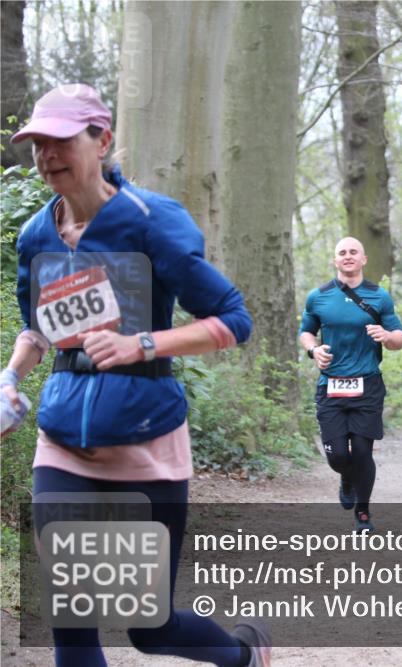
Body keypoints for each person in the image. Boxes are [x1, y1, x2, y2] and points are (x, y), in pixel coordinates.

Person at [1, 84, 266, 666]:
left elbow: (234, 320)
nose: (46, 155)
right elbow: (39, 330)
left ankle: (245, 657)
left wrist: (140, 342)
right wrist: (10, 378)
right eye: (37, 144)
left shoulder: (150, 222)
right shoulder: (36, 237)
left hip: (146, 439)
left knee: (148, 627)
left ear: (102, 140)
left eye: (61, 140)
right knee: (71, 620)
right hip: (64, 440)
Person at [299, 237, 402, 534]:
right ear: (335, 260)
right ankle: (346, 477)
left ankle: (363, 512)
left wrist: (386, 335)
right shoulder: (317, 296)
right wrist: (313, 350)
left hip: (367, 385)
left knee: (361, 452)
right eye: (342, 253)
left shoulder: (379, 296)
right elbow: (306, 332)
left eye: (353, 252)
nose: (347, 256)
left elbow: (399, 338)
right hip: (330, 385)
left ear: (364, 259)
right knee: (337, 456)